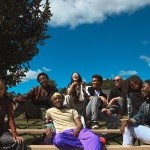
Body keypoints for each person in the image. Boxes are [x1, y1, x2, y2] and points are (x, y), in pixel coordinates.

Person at [121, 79, 150, 145]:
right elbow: (139, 116)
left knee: (128, 128)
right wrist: (128, 121)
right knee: (127, 126)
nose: (141, 89)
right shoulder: (145, 104)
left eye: (143, 87)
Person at [0, 79, 27, 150]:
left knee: (19, 142)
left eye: (1, 88)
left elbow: (11, 118)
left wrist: (15, 134)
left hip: (1, 131)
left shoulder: (7, 101)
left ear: (4, 89)